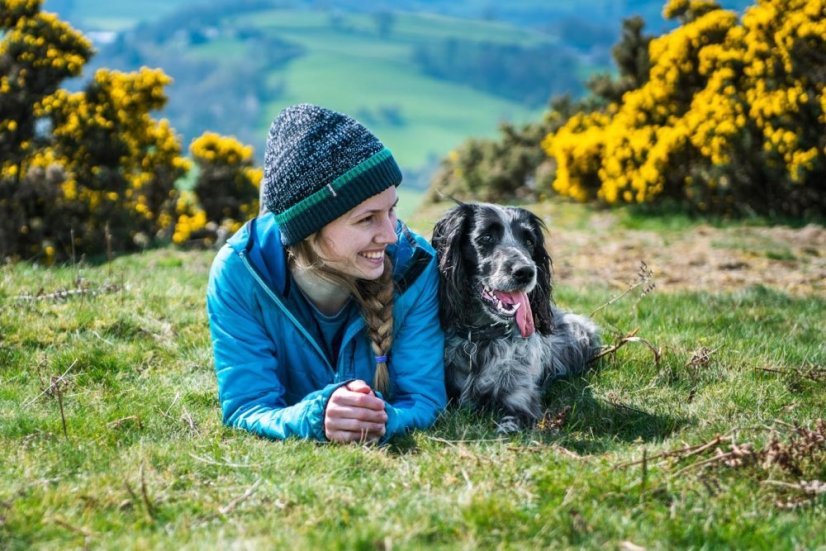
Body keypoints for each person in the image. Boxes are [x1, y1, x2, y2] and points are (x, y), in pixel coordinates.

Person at [206, 104, 446, 443]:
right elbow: (247, 408)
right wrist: (315, 418)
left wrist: (378, 418)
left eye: (391, 210)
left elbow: (424, 400)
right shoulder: (241, 273)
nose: (391, 236)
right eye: (367, 219)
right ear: (310, 228)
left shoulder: (415, 268)